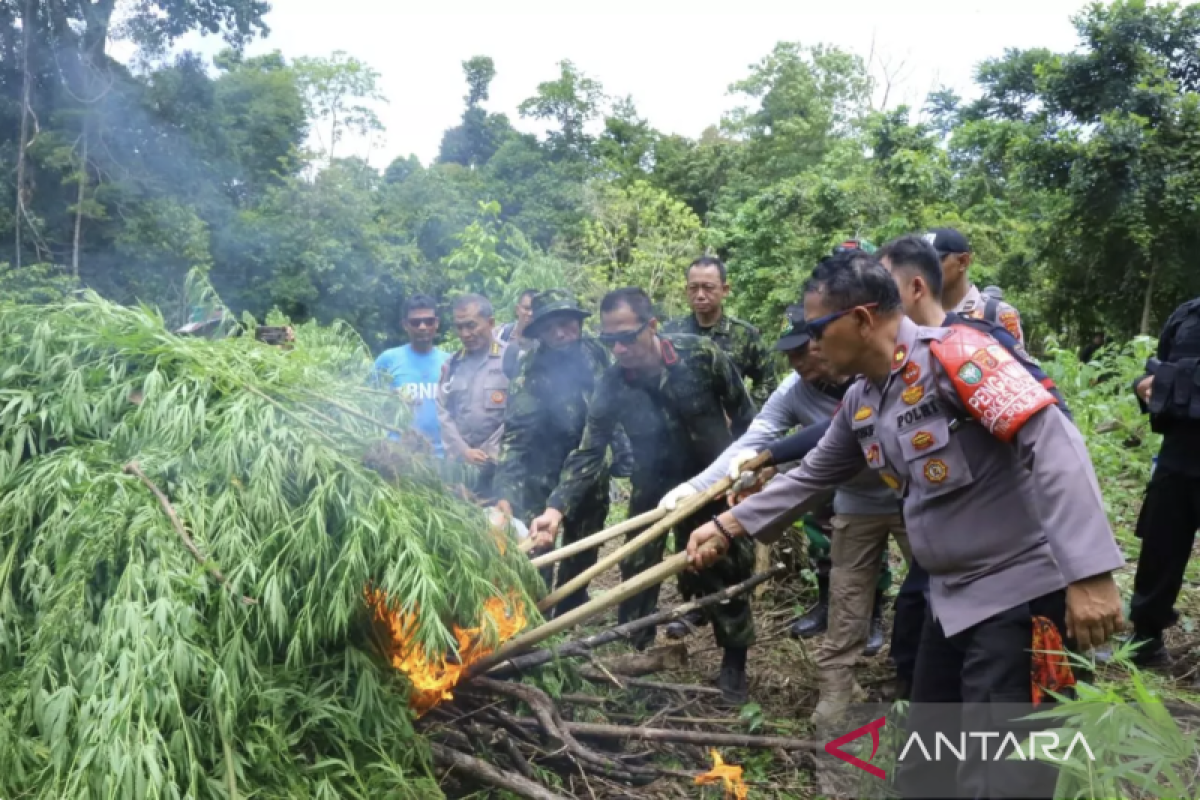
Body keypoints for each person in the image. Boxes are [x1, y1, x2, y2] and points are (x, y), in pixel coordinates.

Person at [686, 250, 1125, 799]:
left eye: (818, 329)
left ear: (863, 319)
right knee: (927, 770)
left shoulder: (959, 356)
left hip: (1018, 599)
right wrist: (728, 525)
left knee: (1008, 777)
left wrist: (1091, 573)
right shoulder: (863, 400)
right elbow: (812, 475)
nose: (812, 346)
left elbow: (1054, 443)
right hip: (950, 603)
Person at [660, 302, 907, 721]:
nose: (795, 363)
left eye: (803, 350)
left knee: (934, 594)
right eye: (788, 354)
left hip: (909, 497)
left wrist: (773, 465)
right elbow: (756, 445)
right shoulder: (794, 390)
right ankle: (837, 696)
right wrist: (696, 489)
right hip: (854, 500)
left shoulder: (880, 371)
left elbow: (823, 444)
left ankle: (919, 685)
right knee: (845, 600)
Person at [530, 287, 758, 701]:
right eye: (609, 341)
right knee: (635, 575)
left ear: (651, 326)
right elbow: (589, 451)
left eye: (627, 337)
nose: (619, 349)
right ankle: (631, 658)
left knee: (725, 569)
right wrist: (555, 508)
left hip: (713, 483)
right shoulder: (613, 383)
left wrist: (747, 475)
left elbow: (747, 419)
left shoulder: (702, 357)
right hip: (652, 488)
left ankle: (734, 663)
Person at [877, 234, 1076, 699]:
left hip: (1011, 558)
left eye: (880, 286)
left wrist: (1086, 569)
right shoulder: (895, 364)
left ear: (915, 287)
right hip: (949, 550)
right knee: (918, 617)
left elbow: (1051, 428)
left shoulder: (979, 338)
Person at [494, 289, 622, 618]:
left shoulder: (596, 352)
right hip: (543, 473)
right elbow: (514, 438)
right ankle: (535, 618)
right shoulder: (529, 372)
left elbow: (614, 404)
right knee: (539, 547)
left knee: (584, 545)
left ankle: (569, 613)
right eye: (551, 328)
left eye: (567, 324)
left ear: (579, 324)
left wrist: (622, 452)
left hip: (591, 469)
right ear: (539, 333)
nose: (561, 333)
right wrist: (506, 493)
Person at [1126, 296, 1200, 666]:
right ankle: (1145, 639)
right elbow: (1157, 370)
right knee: (1161, 545)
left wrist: (1176, 380)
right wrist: (1144, 385)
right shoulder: (1187, 315)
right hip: (1180, 454)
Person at [663, 256, 773, 404]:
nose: (700, 295)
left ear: (725, 290)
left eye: (708, 288)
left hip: (729, 424)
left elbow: (767, 382)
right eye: (693, 288)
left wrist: (743, 414)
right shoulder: (670, 332)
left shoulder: (744, 334)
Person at [437, 294, 508, 500]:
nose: (465, 333)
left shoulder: (512, 359)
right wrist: (463, 451)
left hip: (500, 471)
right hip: (461, 471)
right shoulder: (453, 365)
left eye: (471, 325)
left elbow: (518, 415)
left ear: (490, 323)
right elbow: (443, 412)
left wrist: (488, 453)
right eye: (459, 327)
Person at [371, 294, 450, 457]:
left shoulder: (450, 362)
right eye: (415, 322)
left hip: (441, 456)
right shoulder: (388, 360)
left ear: (436, 323)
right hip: (398, 456)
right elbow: (368, 402)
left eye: (428, 321)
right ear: (405, 325)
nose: (422, 327)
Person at [926, 227, 1026, 344]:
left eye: (932, 262)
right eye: (920, 263)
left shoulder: (998, 314)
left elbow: (1016, 362)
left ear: (962, 262)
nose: (923, 270)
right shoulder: (917, 313)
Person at [497, 289, 538, 380]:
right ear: (517, 309)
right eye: (526, 308)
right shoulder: (501, 334)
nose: (530, 313)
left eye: (535, 309)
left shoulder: (544, 340)